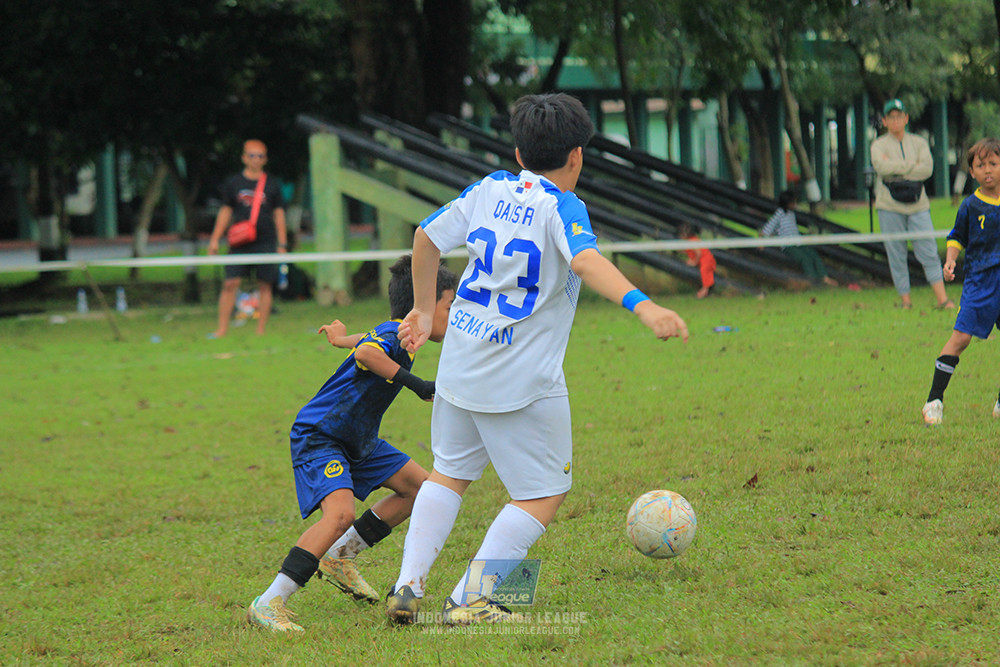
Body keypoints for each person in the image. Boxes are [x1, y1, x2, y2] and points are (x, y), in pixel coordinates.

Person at [385, 93, 688, 626]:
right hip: (521, 379)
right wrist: (645, 307)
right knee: (543, 493)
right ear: (577, 155)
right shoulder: (562, 206)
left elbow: (425, 237)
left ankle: (407, 586)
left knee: (448, 474)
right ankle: (471, 601)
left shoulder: (488, 189)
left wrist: (424, 311)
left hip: (459, 362)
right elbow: (586, 261)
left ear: (520, 154)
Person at [247, 255, 458, 632]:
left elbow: (363, 341)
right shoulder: (393, 335)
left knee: (421, 490)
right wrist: (418, 385)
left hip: (358, 439)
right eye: (449, 305)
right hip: (322, 435)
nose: (453, 314)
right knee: (340, 516)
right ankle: (269, 601)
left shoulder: (396, 334)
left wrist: (338, 339)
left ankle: (340, 556)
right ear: (423, 305)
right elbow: (366, 352)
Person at [921, 137, 1000, 425]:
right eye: (981, 165)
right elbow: (957, 236)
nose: (988, 170)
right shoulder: (970, 205)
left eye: (994, 163)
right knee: (961, 338)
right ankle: (934, 401)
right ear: (973, 172)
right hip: (980, 280)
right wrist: (951, 259)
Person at [871, 99, 953, 310]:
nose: (895, 120)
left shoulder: (919, 143)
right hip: (889, 205)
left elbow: (926, 169)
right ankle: (905, 301)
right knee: (896, 253)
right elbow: (881, 167)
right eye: (891, 117)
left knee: (929, 251)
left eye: (899, 116)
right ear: (884, 121)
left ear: (906, 118)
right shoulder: (878, 145)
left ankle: (942, 299)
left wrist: (896, 169)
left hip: (918, 205)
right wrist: (911, 166)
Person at [207, 139, 289, 337]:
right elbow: (226, 211)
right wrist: (215, 239)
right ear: (244, 158)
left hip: (265, 241)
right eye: (252, 155)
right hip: (240, 242)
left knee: (265, 285)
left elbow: (279, 214)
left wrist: (282, 243)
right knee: (230, 284)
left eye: (260, 156)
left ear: (265, 159)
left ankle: (260, 330)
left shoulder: (272, 184)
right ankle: (222, 329)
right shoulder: (233, 183)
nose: (256, 159)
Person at [760, 190, 838, 287]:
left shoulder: (791, 213)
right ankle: (813, 280)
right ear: (787, 203)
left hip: (798, 242)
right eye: (793, 202)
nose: (795, 204)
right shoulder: (779, 214)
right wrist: (761, 242)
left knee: (813, 254)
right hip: (789, 245)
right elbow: (768, 228)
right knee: (804, 259)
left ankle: (824, 277)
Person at [678, 222, 716, 298]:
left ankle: (705, 289)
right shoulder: (689, 241)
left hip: (707, 260)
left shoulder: (693, 241)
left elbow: (699, 253)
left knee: (704, 270)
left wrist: (694, 262)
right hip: (703, 261)